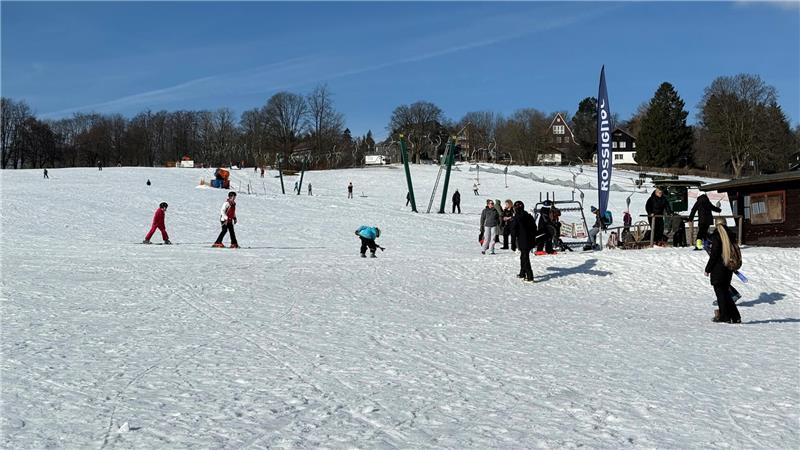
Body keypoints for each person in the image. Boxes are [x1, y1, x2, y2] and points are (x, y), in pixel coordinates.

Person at [705, 219, 741, 324]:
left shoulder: (716, 236)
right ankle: (735, 316)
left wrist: (708, 269)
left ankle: (725, 316)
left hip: (718, 269)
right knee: (725, 293)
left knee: (721, 294)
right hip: (728, 267)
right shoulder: (730, 236)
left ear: (716, 225)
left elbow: (714, 255)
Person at [510, 201, 537, 282]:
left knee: (525, 257)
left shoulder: (516, 218)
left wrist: (513, 243)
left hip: (523, 240)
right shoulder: (529, 216)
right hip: (530, 240)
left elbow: (513, 231)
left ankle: (530, 276)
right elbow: (535, 228)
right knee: (523, 256)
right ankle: (522, 273)